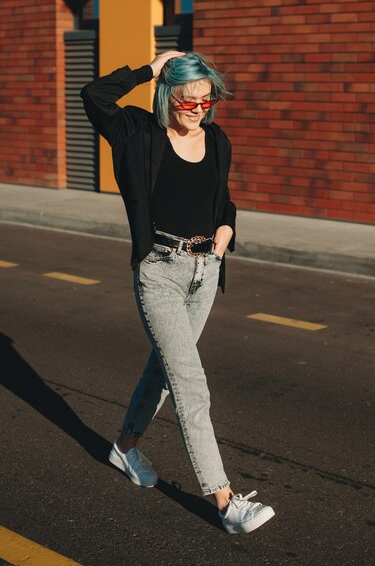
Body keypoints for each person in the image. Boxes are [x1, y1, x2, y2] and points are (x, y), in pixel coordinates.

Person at [81, 50, 275, 534]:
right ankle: (226, 502)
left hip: (204, 270)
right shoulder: (137, 134)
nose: (199, 111)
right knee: (190, 382)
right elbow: (93, 95)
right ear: (168, 97)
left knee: (164, 370)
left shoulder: (218, 140)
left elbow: (221, 199)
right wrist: (149, 66)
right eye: (189, 103)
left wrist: (227, 229)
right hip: (160, 271)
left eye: (207, 102)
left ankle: (124, 448)